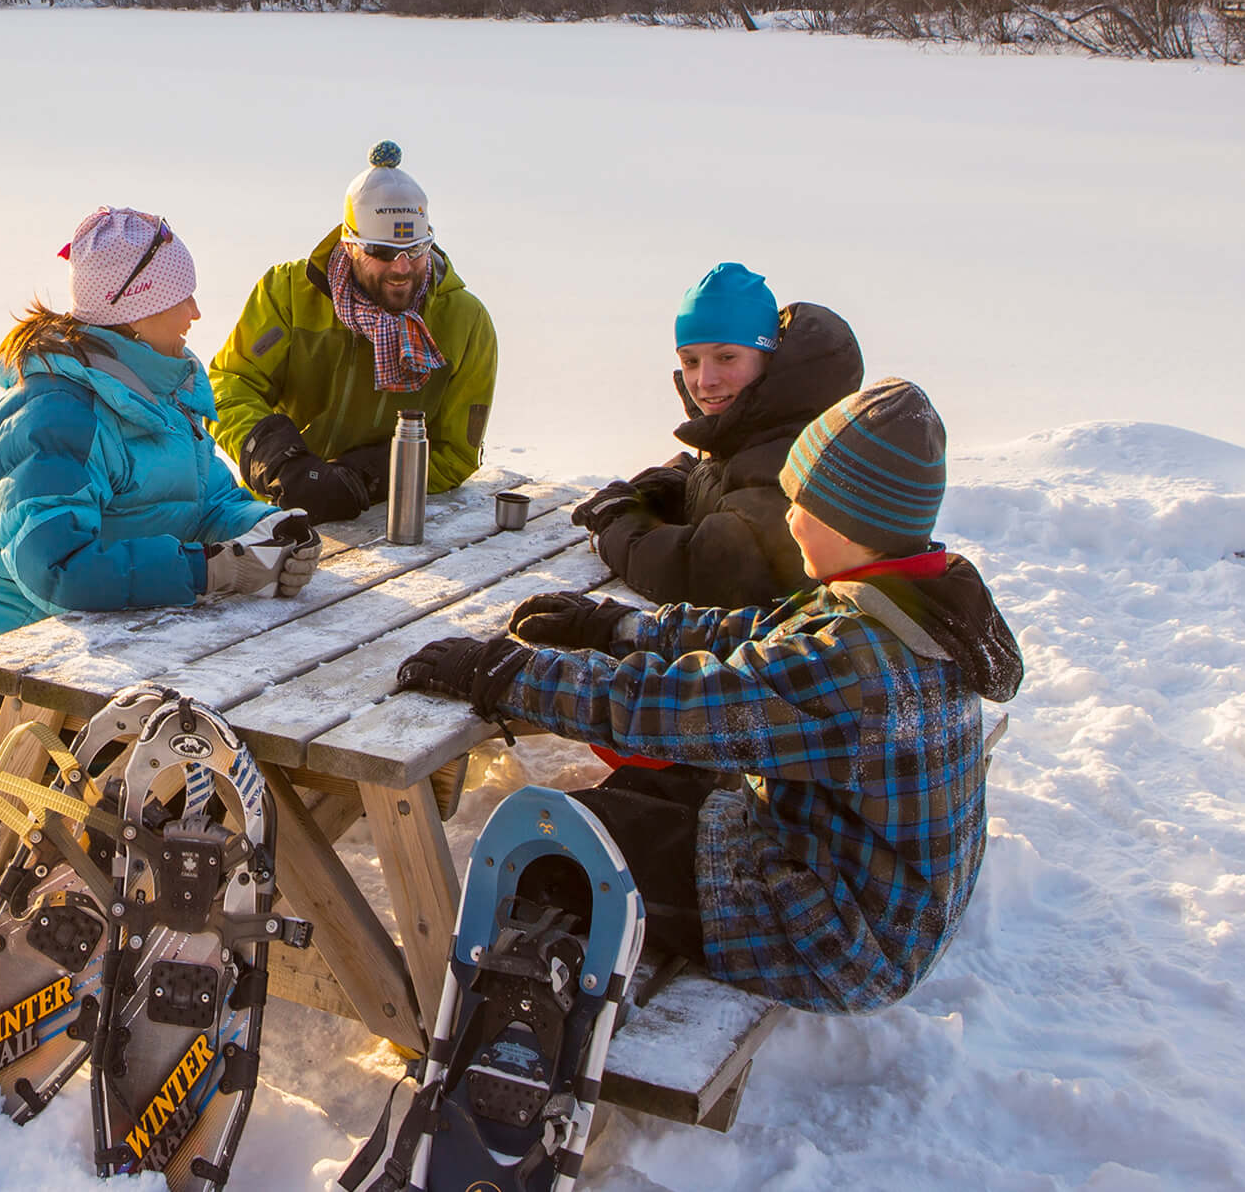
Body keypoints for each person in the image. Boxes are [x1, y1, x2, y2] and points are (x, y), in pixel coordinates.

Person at [393, 380, 1023, 1014]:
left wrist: (504, 674)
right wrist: (613, 627)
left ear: (848, 518)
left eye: (799, 500)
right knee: (626, 802)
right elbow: (753, 632)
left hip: (840, 941)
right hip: (865, 886)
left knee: (557, 851)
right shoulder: (901, 603)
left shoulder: (857, 665)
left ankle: (511, 1043)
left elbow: (672, 707)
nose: (786, 515)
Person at [0, 207, 322, 762]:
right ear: (135, 312)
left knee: (234, 739)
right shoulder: (54, 411)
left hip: (93, 659)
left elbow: (209, 500)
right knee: (185, 770)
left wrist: (268, 527)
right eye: (181, 297)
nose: (196, 312)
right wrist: (208, 570)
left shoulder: (161, 387)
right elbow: (58, 566)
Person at [209, 143, 499, 524]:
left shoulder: (466, 323)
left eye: (415, 250)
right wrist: (280, 462)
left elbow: (457, 451)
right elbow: (231, 384)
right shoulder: (288, 294)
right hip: (279, 510)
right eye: (381, 252)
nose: (401, 268)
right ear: (350, 245)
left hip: (393, 520)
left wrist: (367, 475)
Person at [570, 262, 863, 608]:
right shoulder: (749, 428)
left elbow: (701, 570)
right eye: (690, 361)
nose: (704, 380)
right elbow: (709, 479)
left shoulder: (795, 455)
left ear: (770, 358)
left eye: (726, 357)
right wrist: (651, 492)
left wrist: (616, 520)